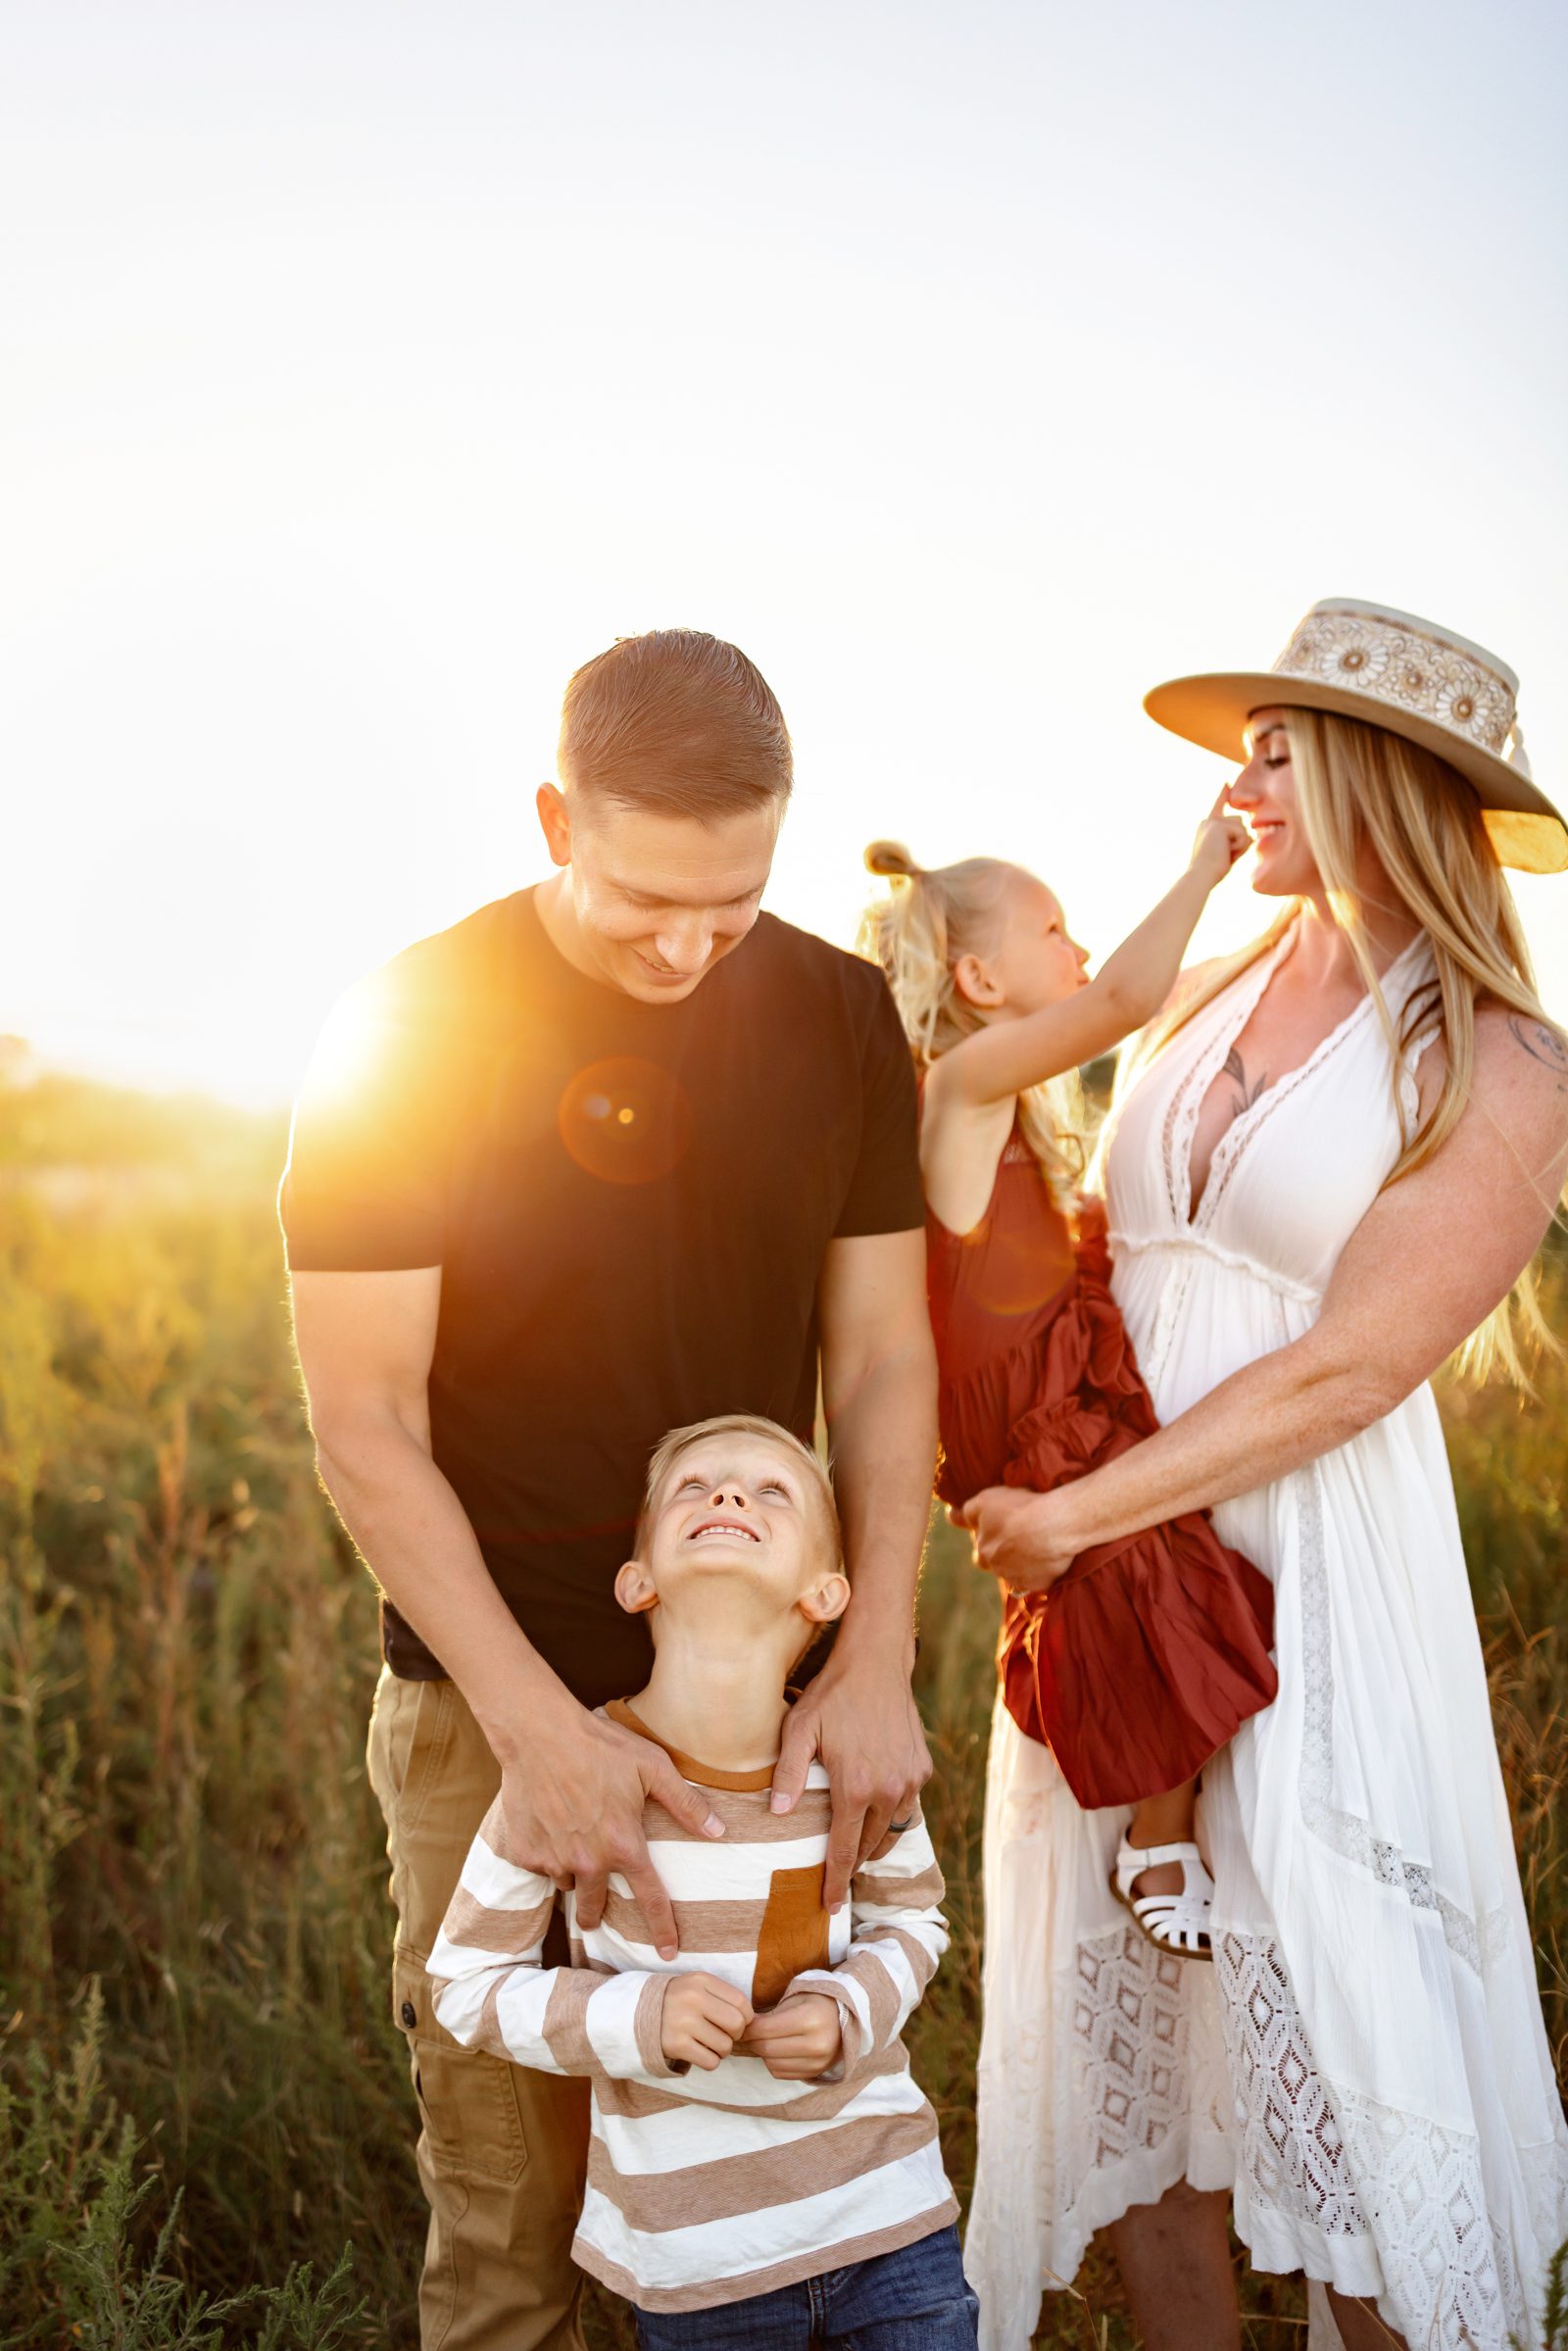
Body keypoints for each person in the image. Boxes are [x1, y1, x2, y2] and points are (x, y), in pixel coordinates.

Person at [279, 631, 939, 2351]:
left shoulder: (838, 1012)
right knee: (517, 2219)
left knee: (765, 2201)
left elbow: (883, 1359)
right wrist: (541, 1730)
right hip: (490, 1705)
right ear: (555, 817)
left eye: (735, 901)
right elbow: (365, 1417)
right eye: (646, 897)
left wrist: (874, 1654)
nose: (688, 946)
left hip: (762, 1715)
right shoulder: (406, 1027)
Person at [956, 599, 1568, 2351]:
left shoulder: (1500, 1056)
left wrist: (1080, 1511)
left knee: (1349, 2074)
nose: (1245, 781)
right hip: (1114, 1569)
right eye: (1248, 749)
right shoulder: (1205, 977)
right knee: (1145, 2086)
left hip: (1311, 1578)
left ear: (1390, 779)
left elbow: (1355, 1364)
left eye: (1283, 751)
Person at [425, 1413, 976, 2349]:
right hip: (699, 2266)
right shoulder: (571, 1780)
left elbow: (915, 1922)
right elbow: (465, 1983)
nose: (727, 1494)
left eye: (772, 1491)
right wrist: (637, 2017)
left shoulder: (856, 1763)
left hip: (890, 2222)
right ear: (636, 1579)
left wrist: (848, 2007)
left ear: (828, 1592)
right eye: (696, 1485)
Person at [858, 818, 1278, 1958]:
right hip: (1020, 1416)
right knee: (1140, 1567)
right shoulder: (961, 1082)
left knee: (1162, 1559)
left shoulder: (998, 1098)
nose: (1080, 948)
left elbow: (1153, 988)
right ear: (978, 979)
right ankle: (1155, 1837)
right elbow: (1124, 998)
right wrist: (1202, 869)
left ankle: (1164, 1814)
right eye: (1053, 929)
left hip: (1052, 1392)